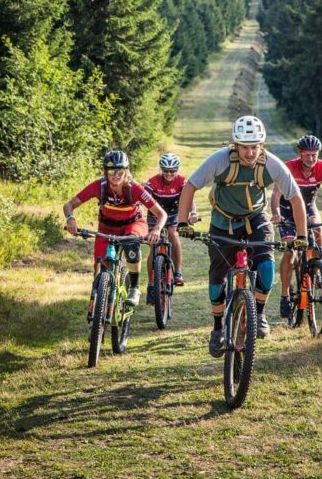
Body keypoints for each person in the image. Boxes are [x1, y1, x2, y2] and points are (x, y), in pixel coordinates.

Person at [177, 115, 308, 358]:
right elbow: (190, 186)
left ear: (262, 145)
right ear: (235, 145)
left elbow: (295, 197)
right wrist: (183, 222)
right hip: (222, 222)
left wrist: (302, 235)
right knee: (217, 277)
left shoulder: (271, 164)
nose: (249, 153)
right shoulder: (220, 160)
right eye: (244, 147)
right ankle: (217, 328)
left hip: (256, 219)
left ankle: (258, 313)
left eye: (254, 146)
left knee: (266, 267)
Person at [63, 150, 167, 307]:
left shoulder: (135, 188)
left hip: (133, 224)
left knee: (131, 243)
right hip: (106, 227)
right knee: (99, 264)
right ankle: (98, 298)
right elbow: (69, 205)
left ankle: (134, 288)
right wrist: (71, 219)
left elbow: (161, 214)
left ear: (126, 171)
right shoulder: (99, 186)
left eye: (120, 171)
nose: (115, 175)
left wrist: (156, 230)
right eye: (112, 171)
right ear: (105, 172)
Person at [271, 134, 322, 318]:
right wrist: (275, 214)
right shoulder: (289, 167)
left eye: (314, 154)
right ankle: (285, 295)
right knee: (290, 251)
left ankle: (315, 268)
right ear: (300, 153)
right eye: (307, 155)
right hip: (287, 212)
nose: (311, 158)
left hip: (308, 208)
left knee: (318, 230)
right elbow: (275, 194)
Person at [143, 152, 194, 302]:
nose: (169, 174)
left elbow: (189, 198)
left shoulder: (182, 182)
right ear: (161, 169)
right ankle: (152, 284)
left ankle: (177, 272)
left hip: (172, 215)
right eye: (165, 170)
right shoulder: (152, 182)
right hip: (155, 216)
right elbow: (142, 198)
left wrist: (193, 212)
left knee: (173, 234)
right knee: (154, 245)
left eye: (172, 171)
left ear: (177, 170)